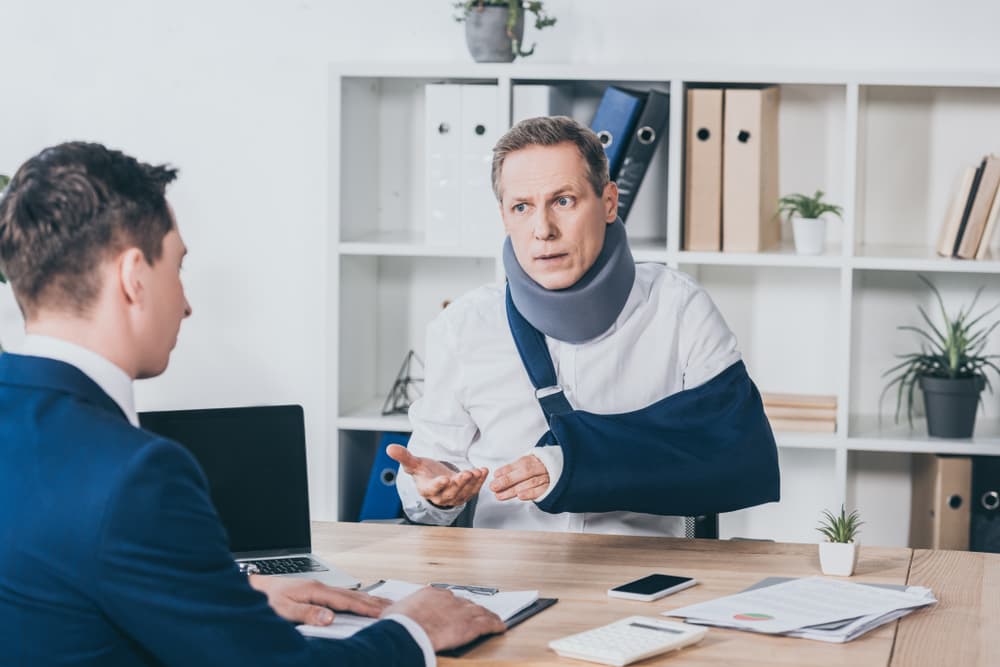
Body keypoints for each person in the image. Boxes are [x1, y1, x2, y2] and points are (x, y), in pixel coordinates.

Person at [0, 142, 504, 666]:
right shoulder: (136, 476)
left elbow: (59, 587)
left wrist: (224, 601)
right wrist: (413, 629)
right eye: (178, 266)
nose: (187, 303)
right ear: (133, 278)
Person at [391, 116, 779, 536]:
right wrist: (434, 491)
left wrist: (568, 463)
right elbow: (428, 482)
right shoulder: (462, 326)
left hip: (640, 578)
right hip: (505, 580)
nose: (543, 230)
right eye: (522, 207)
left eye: (563, 201)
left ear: (609, 202)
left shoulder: (678, 307)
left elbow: (737, 451)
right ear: (504, 217)